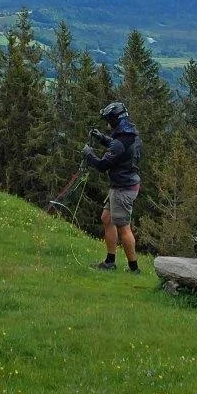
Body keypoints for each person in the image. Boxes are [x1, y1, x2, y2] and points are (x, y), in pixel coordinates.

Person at [82, 101, 143, 273]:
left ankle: (134, 268)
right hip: (125, 184)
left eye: (109, 120)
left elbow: (102, 166)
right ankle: (110, 262)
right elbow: (117, 146)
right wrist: (102, 138)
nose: (108, 124)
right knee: (106, 218)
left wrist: (89, 155)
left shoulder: (121, 140)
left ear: (115, 119)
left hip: (123, 189)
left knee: (124, 227)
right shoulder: (131, 134)